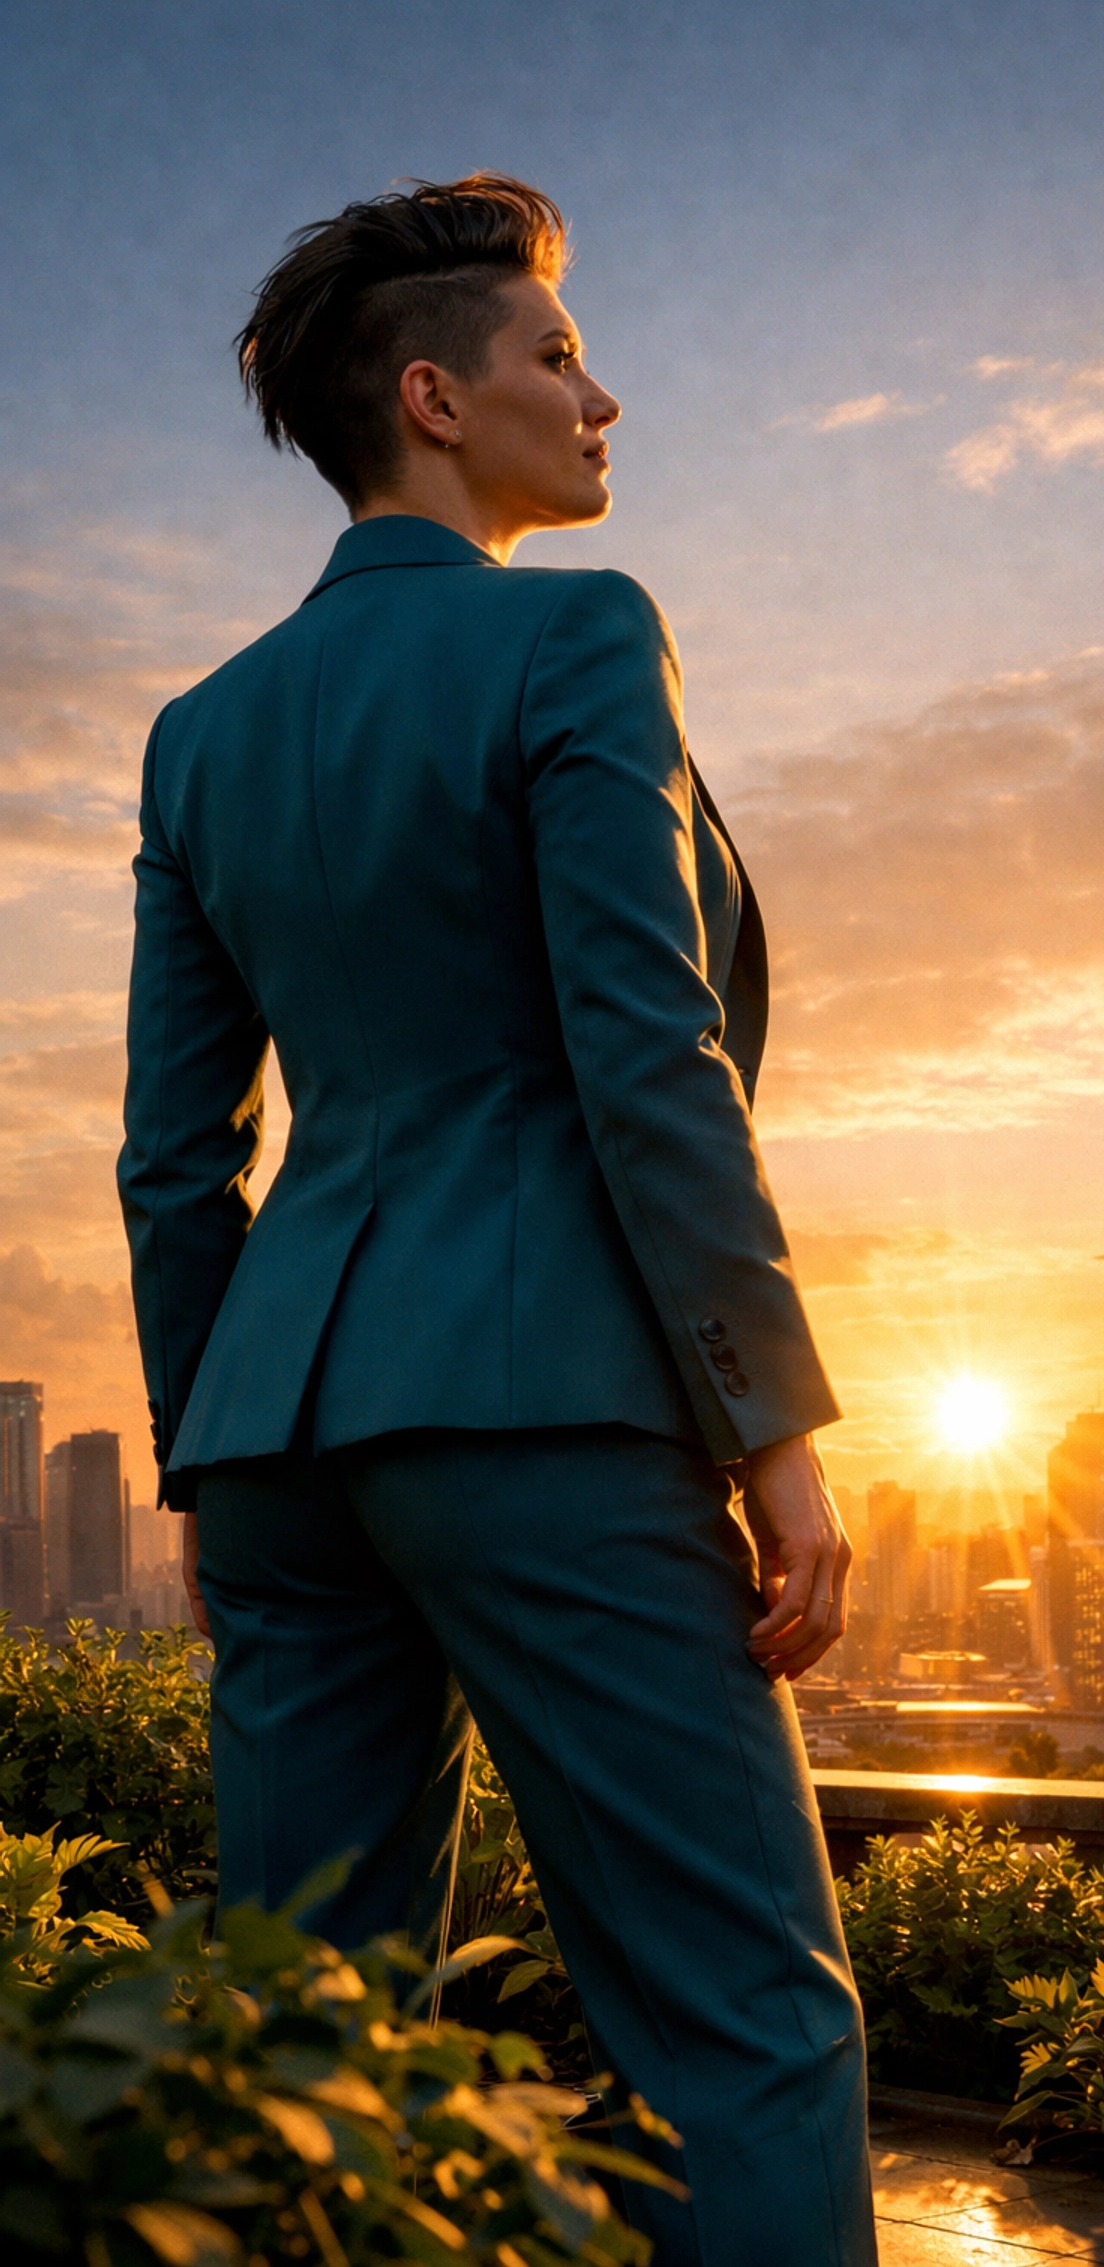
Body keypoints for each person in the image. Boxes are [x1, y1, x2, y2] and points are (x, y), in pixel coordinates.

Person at [117, 172, 876, 2267]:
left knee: (293, 2047)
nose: (604, 393)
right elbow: (649, 1064)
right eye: (560, 353)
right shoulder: (578, 632)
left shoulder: (201, 733)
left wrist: (216, 1458)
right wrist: (777, 1431)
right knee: (746, 2022)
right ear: (437, 398)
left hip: (278, 1442)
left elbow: (173, 1164)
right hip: (545, 1404)